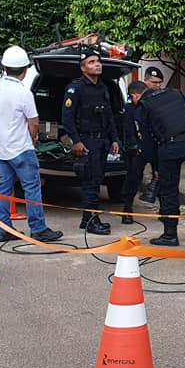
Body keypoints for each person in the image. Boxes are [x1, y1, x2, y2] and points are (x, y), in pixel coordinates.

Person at [0, 46, 63, 244]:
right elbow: (34, 123)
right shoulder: (23, 93)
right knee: (32, 188)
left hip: (1, 148)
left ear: (4, 67)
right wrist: (34, 138)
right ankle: (38, 229)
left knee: (3, 188)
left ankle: (2, 229)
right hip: (21, 148)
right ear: (24, 70)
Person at [138, 81, 185, 246]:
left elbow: (148, 144)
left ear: (136, 96)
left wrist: (155, 167)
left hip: (170, 149)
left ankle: (170, 234)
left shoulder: (144, 106)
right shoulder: (176, 93)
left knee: (168, 190)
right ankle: (166, 217)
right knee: (170, 187)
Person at [61, 46, 120, 235]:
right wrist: (76, 141)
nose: (97, 65)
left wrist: (114, 139)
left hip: (102, 141)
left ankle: (88, 218)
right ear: (83, 68)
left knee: (97, 179)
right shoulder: (75, 88)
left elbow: (109, 116)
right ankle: (91, 221)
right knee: (91, 182)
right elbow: (67, 119)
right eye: (91, 62)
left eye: (98, 61)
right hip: (86, 141)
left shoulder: (103, 87)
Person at [119, 81, 155, 224]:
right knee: (134, 178)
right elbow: (129, 129)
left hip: (153, 145)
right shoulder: (130, 108)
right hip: (137, 149)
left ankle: (165, 210)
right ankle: (127, 209)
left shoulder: (151, 105)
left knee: (161, 176)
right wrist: (135, 146)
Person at [137, 66, 164, 203]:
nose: (158, 86)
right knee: (136, 173)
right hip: (141, 141)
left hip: (157, 140)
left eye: (160, 83)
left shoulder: (162, 98)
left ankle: (152, 195)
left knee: (158, 170)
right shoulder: (138, 97)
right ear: (145, 81)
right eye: (154, 83)